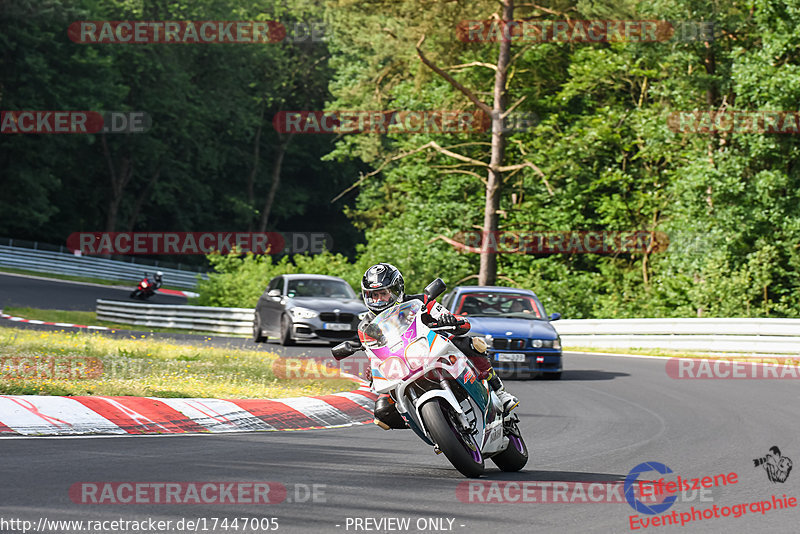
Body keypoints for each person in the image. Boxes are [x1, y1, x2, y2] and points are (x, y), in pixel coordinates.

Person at [358, 263, 519, 430]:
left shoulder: (420, 301)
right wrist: (373, 371)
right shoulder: (366, 327)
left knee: (471, 344)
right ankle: (431, 426)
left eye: (383, 293)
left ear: (396, 289)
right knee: (382, 412)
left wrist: (450, 320)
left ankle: (500, 392)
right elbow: (374, 356)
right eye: (373, 295)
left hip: (434, 351)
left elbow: (459, 322)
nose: (378, 300)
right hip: (402, 366)